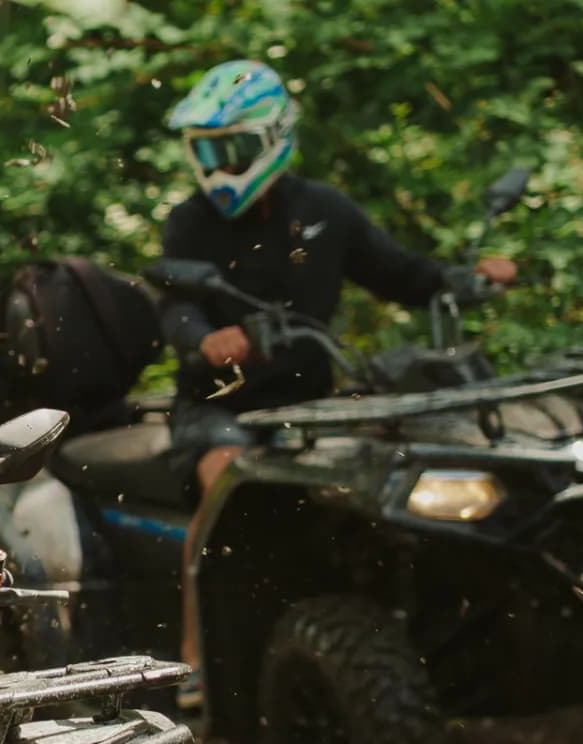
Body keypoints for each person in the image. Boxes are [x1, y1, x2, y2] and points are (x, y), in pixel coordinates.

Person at [158, 60, 517, 702]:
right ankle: (196, 660)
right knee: (225, 478)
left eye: (229, 147)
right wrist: (203, 339)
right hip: (220, 408)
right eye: (204, 150)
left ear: (271, 138)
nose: (215, 165)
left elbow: (401, 274)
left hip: (315, 404)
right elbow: (176, 302)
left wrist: (465, 279)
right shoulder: (190, 222)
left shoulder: (325, 209)